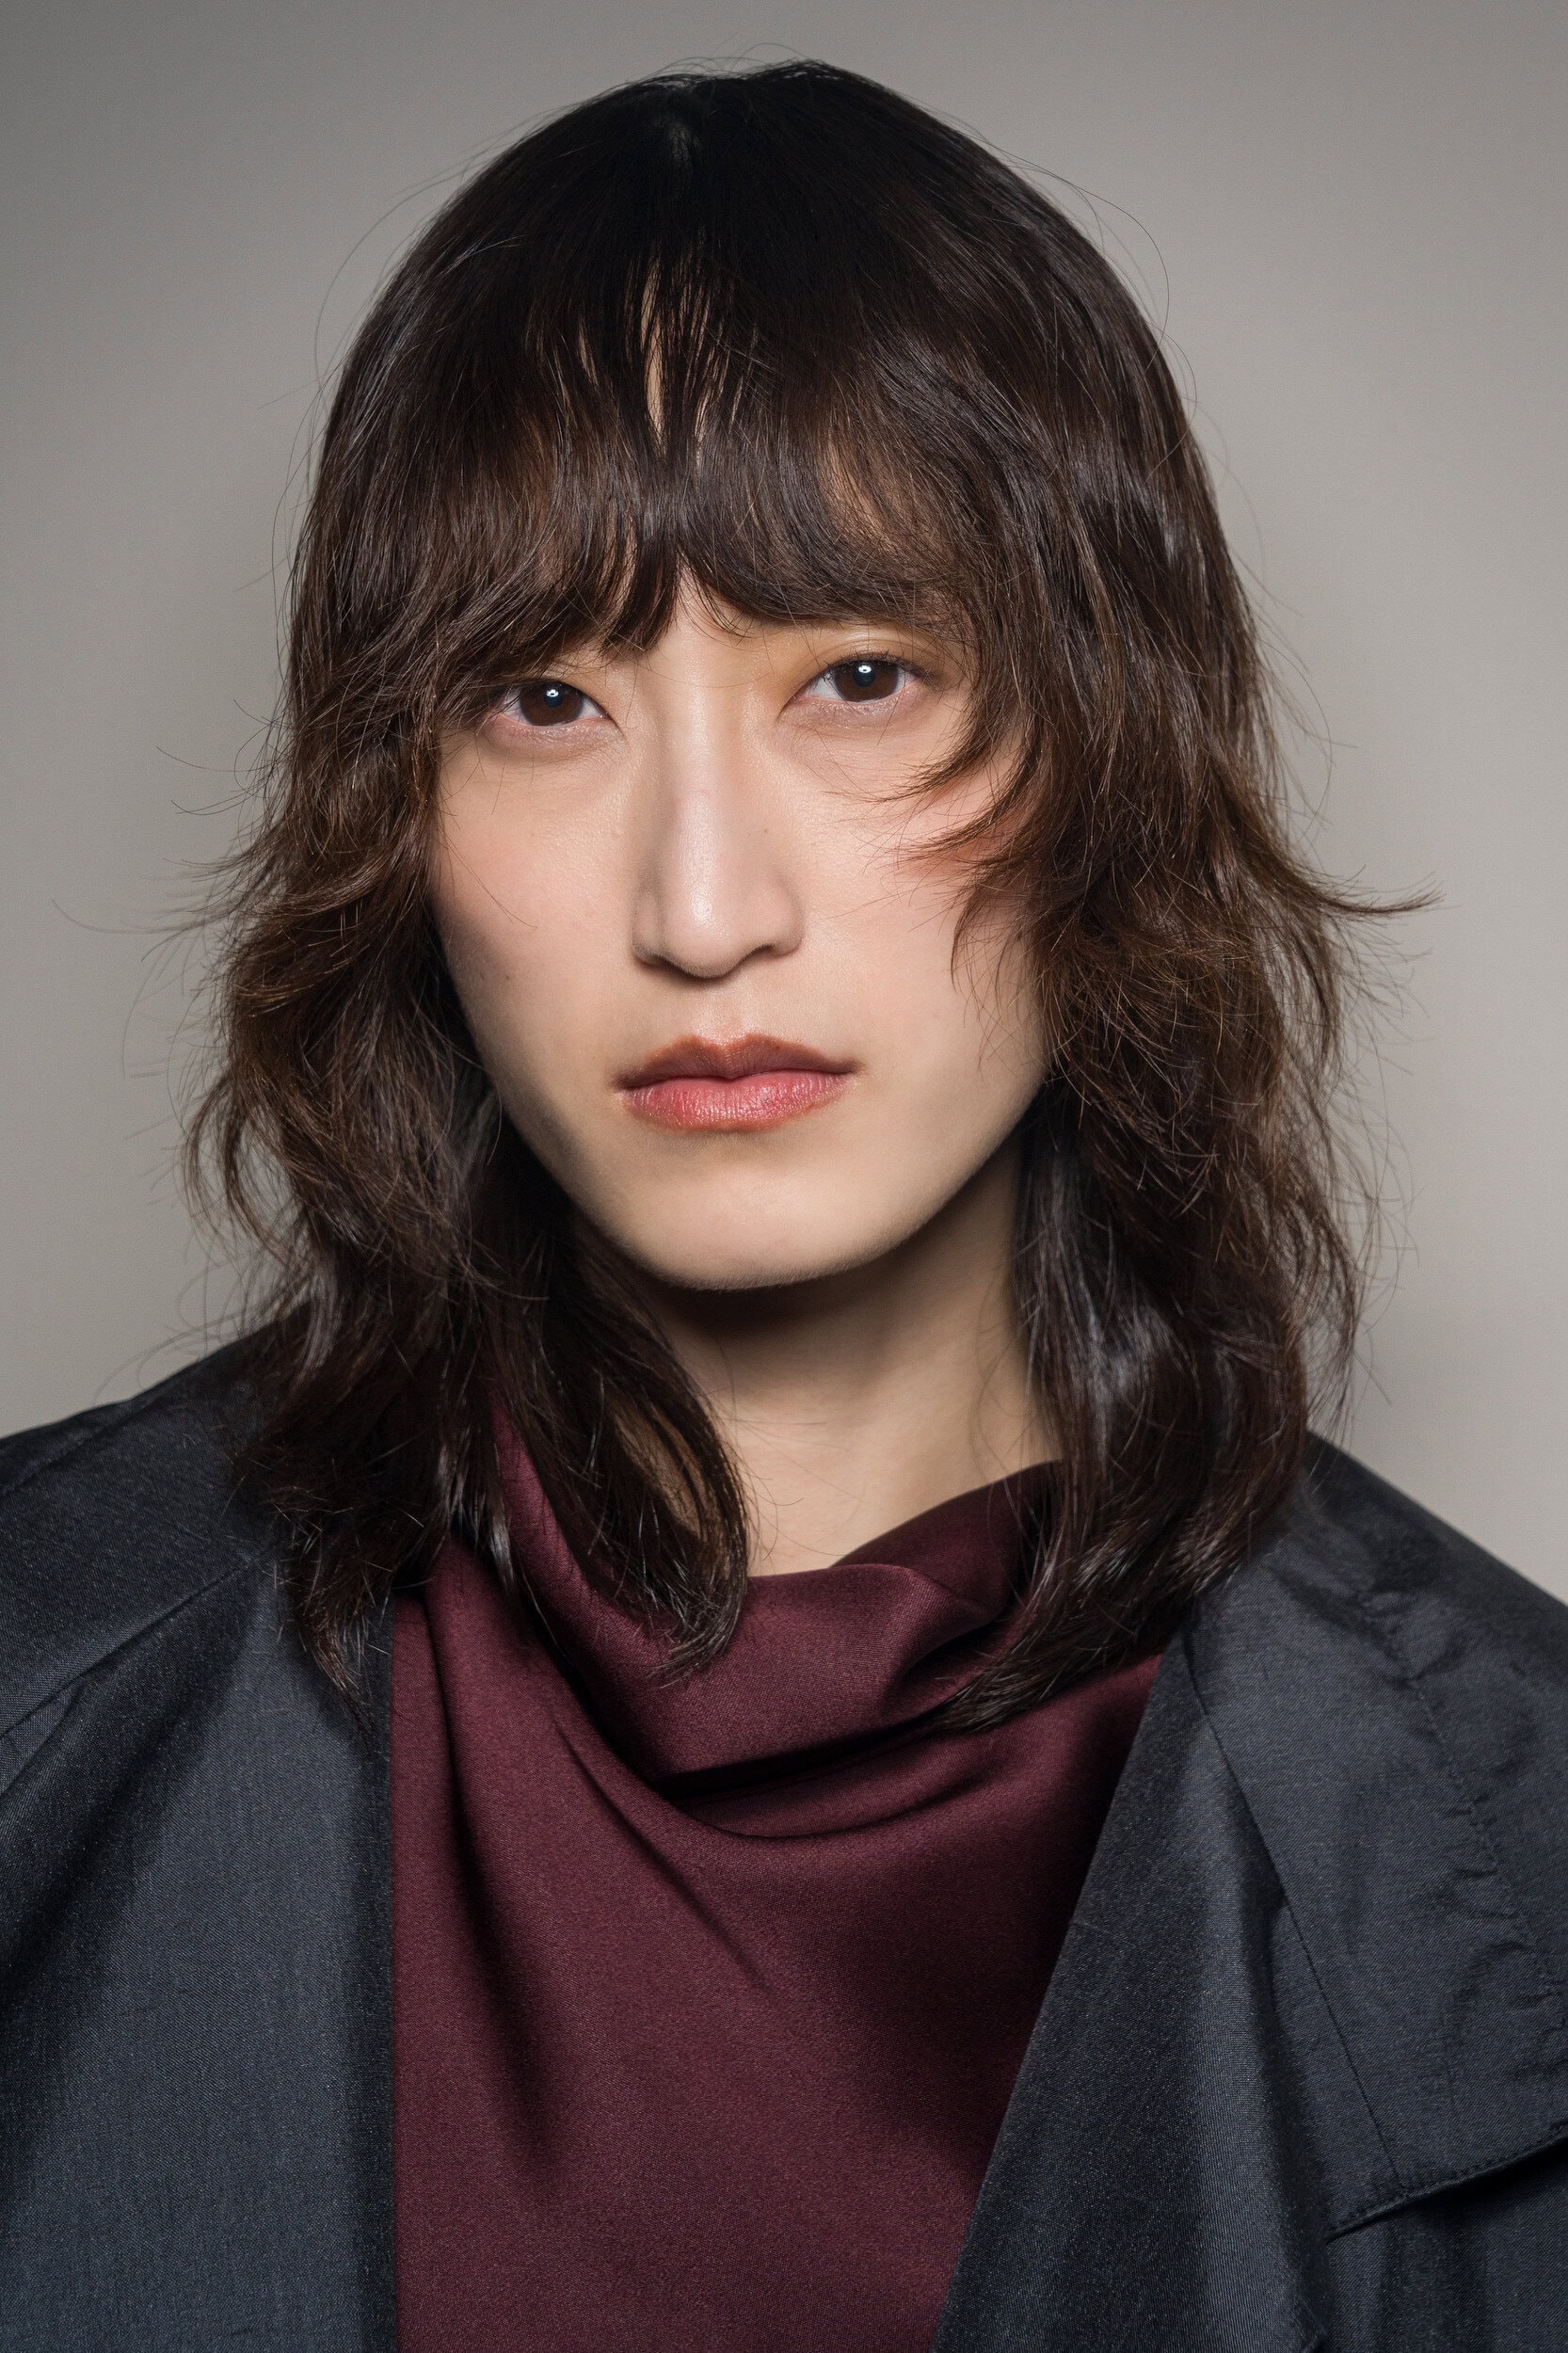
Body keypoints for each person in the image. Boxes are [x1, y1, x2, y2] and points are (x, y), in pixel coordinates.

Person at [0, 57, 1563, 2353]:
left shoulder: (1519, 1818)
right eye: (543, 699)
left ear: (1110, 749)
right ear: (392, 819)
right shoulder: (45, 1675)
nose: (702, 905)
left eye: (855, 675)